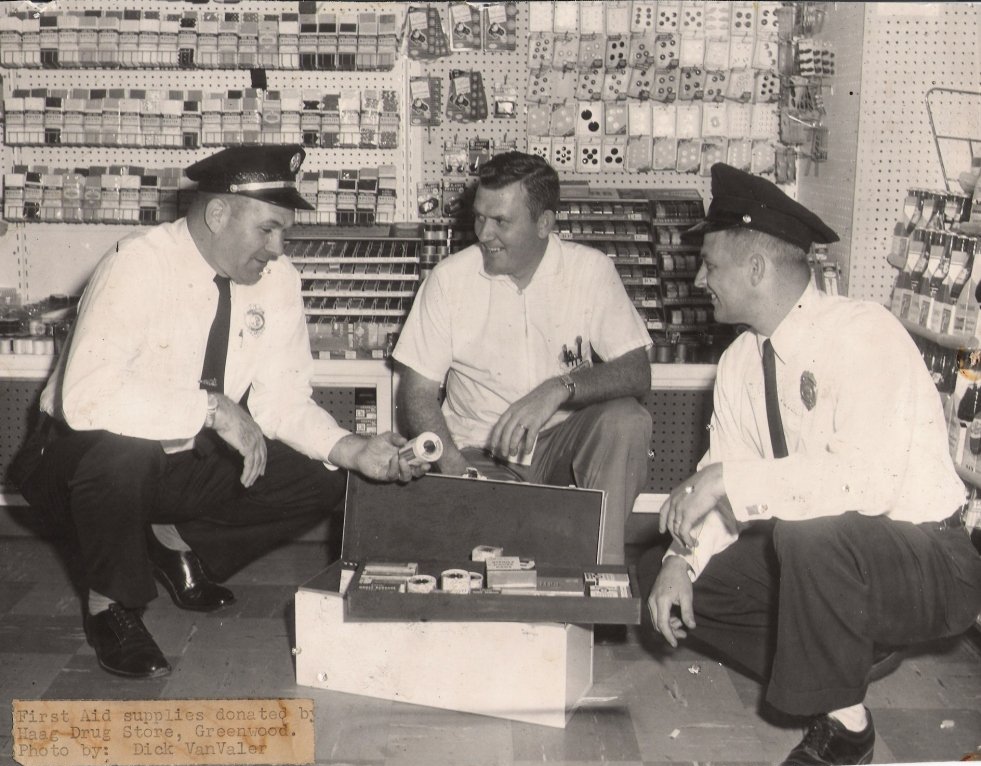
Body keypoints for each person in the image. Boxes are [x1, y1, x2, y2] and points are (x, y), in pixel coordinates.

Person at [12, 145, 427, 679]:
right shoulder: (137, 263)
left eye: (284, 233)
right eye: (268, 230)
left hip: (178, 459)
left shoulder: (278, 282)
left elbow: (282, 402)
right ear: (217, 215)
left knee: (326, 476)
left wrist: (351, 449)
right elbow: (85, 398)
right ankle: (110, 606)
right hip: (75, 462)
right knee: (120, 455)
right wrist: (212, 407)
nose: (279, 248)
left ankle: (175, 544)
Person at [640, 162, 981, 766]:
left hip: (930, 561)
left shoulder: (863, 334)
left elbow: (865, 486)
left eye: (710, 266)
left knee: (811, 533)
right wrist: (679, 562)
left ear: (757, 268)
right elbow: (721, 484)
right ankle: (840, 648)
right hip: (829, 563)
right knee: (661, 578)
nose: (698, 279)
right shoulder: (743, 360)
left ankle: (845, 728)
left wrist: (730, 479)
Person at [393, 151, 653, 567]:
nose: (484, 234)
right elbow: (417, 392)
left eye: (501, 222)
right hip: (480, 451)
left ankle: (601, 575)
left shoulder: (591, 270)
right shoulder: (448, 280)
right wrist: (457, 472)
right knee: (486, 573)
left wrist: (559, 388)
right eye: (479, 217)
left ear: (545, 223)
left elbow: (637, 372)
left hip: (563, 444)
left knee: (627, 418)